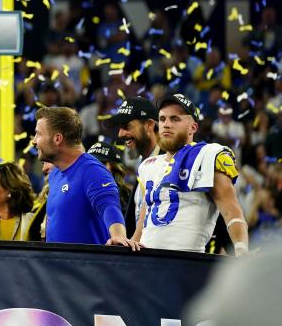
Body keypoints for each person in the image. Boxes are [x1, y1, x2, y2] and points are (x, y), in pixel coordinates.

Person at [133, 93, 249, 255]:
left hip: (186, 265)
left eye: (175, 119)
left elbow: (232, 212)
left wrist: (241, 251)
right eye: (162, 119)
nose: (166, 124)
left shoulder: (207, 156)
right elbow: (143, 226)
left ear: (193, 127)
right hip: (147, 264)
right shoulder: (147, 165)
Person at [32, 106, 137, 249]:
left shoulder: (92, 170)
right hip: (57, 268)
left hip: (88, 269)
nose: (34, 141)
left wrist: (118, 236)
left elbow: (109, 206)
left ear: (57, 138)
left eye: (38, 134)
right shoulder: (55, 174)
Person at [107, 96, 159, 235]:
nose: (120, 134)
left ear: (149, 125)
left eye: (126, 126)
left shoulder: (171, 163)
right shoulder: (144, 166)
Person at [88, 139, 132, 214]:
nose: (94, 167)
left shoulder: (127, 197)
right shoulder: (77, 192)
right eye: (90, 163)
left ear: (114, 168)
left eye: (101, 163)